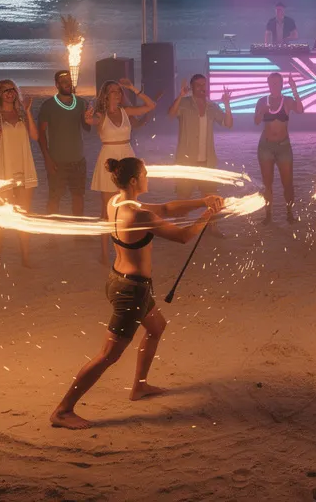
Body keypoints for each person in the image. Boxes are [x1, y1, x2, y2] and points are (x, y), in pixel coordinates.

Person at [49, 157, 220, 430]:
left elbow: (165, 207)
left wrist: (202, 201)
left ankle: (139, 386)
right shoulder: (138, 215)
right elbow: (184, 236)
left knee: (156, 327)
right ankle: (63, 409)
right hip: (131, 292)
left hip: (120, 280)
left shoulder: (117, 203)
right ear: (133, 180)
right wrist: (208, 215)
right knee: (108, 355)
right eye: (145, 174)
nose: (148, 177)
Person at [87, 79, 156, 263]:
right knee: (106, 210)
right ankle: (104, 252)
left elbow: (151, 105)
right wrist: (87, 118)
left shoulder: (126, 112)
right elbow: (91, 120)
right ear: (106, 95)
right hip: (108, 158)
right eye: (113, 91)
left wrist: (133, 89)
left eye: (119, 91)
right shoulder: (101, 115)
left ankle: (126, 248)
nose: (117, 94)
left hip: (127, 155)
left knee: (130, 205)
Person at [0, 79, 39, 268]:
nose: (10, 93)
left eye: (12, 90)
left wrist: (29, 111)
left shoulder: (22, 115)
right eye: (5, 90)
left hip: (24, 167)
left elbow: (35, 136)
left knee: (23, 215)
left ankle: (25, 257)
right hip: (3, 168)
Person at [169, 74, 235, 204]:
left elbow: (228, 124)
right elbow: (171, 114)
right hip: (186, 160)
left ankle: (210, 225)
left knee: (211, 199)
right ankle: (182, 224)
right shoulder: (184, 103)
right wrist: (181, 96)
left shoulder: (212, 106)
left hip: (207, 160)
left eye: (204, 84)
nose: (202, 87)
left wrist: (227, 105)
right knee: (183, 198)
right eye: (198, 85)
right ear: (192, 87)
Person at [37, 70, 92, 218]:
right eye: (64, 82)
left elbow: (87, 128)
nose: (68, 84)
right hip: (57, 161)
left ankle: (78, 234)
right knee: (54, 198)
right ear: (57, 85)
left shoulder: (81, 103)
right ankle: (52, 238)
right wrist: (47, 159)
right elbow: (41, 134)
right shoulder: (48, 105)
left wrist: (88, 119)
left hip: (78, 160)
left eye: (69, 80)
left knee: (78, 197)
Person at [253, 72, 306, 224]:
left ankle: (290, 213)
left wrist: (295, 90)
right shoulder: (262, 101)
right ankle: (268, 214)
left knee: (287, 183)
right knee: (267, 182)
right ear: (268, 84)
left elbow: (300, 110)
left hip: (283, 146)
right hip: (266, 147)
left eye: (278, 83)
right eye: (272, 83)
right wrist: (262, 111)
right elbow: (256, 121)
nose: (275, 86)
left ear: (282, 85)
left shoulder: (288, 100)